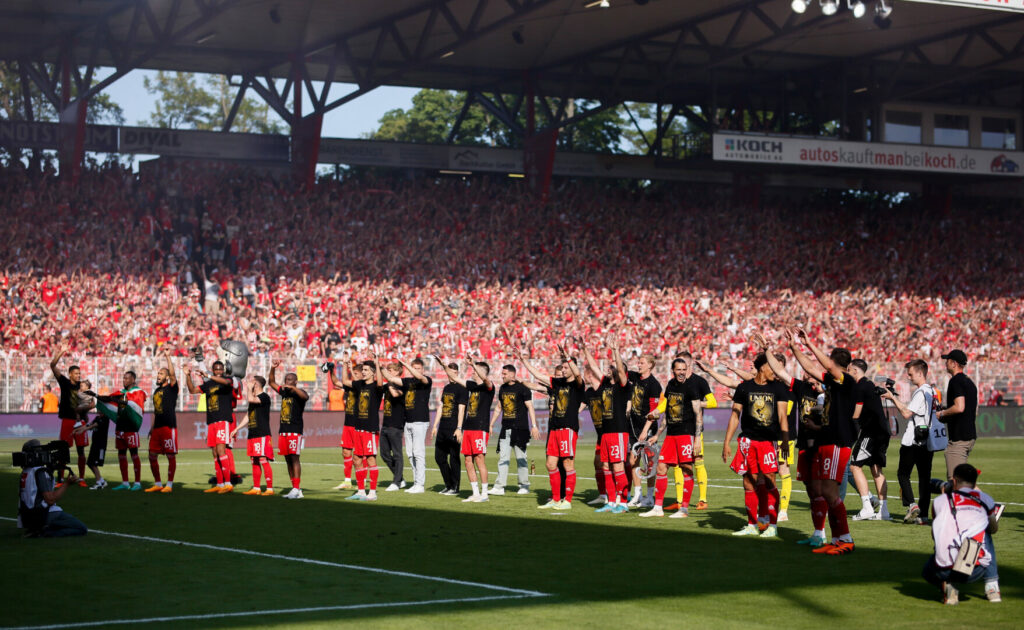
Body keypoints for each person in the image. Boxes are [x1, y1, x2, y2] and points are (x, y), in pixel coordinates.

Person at [789, 328, 857, 555]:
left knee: (830, 492)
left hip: (839, 442)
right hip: (828, 441)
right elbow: (810, 368)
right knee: (828, 493)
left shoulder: (847, 381)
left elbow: (825, 366)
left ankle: (846, 539)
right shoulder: (833, 382)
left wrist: (808, 344)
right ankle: (837, 539)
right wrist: (794, 348)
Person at [721, 352, 789, 538]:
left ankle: (772, 525)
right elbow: (735, 416)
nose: (775, 372)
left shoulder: (779, 389)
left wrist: (784, 440)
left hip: (768, 442)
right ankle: (752, 524)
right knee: (748, 482)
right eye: (772, 368)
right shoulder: (745, 388)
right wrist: (727, 442)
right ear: (762, 368)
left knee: (769, 481)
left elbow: (783, 416)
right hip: (748, 441)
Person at [921, 464, 1001, 605]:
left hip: (943, 570)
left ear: (954, 481)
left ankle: (949, 587)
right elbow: (993, 529)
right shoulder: (985, 499)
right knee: (985, 532)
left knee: (928, 569)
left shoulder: (940, 501)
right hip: (974, 569)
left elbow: (936, 534)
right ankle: (992, 587)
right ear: (975, 482)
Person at [518, 345, 584, 510]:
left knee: (568, 464)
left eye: (567, 367)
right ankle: (555, 499)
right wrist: (523, 360)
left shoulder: (578, 385)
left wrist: (568, 357)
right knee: (550, 464)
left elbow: (577, 374)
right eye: (563, 367)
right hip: (554, 429)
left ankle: (567, 501)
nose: (564, 369)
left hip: (568, 428)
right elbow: (538, 375)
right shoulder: (557, 383)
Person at [638, 358, 703, 518]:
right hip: (671, 435)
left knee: (687, 470)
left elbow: (698, 414)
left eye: (684, 369)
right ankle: (658, 508)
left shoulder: (691, 387)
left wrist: (697, 438)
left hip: (686, 434)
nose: (681, 372)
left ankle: (684, 510)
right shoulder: (670, 386)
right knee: (661, 467)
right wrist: (658, 434)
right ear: (673, 370)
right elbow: (668, 412)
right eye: (678, 369)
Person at [883, 359, 937, 525]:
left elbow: (906, 413)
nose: (909, 376)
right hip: (927, 439)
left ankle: (912, 505)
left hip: (913, 440)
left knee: (903, 473)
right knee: (924, 478)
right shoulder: (932, 391)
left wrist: (892, 397)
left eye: (911, 373)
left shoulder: (921, 392)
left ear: (921, 373)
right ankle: (924, 515)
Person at [582, 338, 632, 514]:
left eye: (613, 368)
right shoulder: (604, 384)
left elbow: (619, 369)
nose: (610, 370)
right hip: (606, 433)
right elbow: (594, 367)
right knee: (607, 467)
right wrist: (585, 349)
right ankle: (611, 502)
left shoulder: (624, 386)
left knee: (618, 466)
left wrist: (616, 351)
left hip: (618, 431)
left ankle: (623, 502)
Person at [438, 354, 493, 503]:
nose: (473, 372)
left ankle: (484, 493)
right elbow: (455, 378)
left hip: (480, 429)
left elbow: (486, 379)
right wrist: (444, 366)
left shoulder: (489, 387)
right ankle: (475, 493)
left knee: (479, 459)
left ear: (482, 371)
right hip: (468, 429)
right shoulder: (472, 386)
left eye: (475, 371)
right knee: (468, 460)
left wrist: (473, 364)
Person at [673, 353, 717, 512]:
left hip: (694, 430)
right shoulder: (675, 382)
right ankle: (679, 501)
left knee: (697, 461)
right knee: (678, 464)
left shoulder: (699, 382)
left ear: (689, 364)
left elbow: (713, 402)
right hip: (677, 430)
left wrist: (697, 404)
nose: (680, 369)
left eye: (682, 364)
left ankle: (703, 499)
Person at [848, 359, 891, 521]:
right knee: (876, 468)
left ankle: (867, 507)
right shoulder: (870, 385)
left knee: (855, 466)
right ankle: (883, 511)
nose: (848, 372)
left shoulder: (860, 386)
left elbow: (856, 414)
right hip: (881, 431)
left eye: (849, 370)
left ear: (855, 371)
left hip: (871, 432)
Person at [17, 440, 87, 538]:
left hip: (27, 516)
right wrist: (67, 483)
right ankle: (43, 532)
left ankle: (36, 529)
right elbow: (50, 499)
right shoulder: (40, 471)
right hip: (42, 515)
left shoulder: (26, 471)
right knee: (81, 528)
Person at [186, 360, 236, 493]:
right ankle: (219, 484)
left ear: (223, 370)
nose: (219, 371)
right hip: (211, 421)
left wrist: (207, 375)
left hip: (222, 420)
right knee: (214, 453)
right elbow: (192, 390)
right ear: (213, 370)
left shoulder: (228, 380)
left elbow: (226, 383)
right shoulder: (208, 385)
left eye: (220, 369)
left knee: (221, 451)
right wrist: (187, 375)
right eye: (216, 369)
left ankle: (228, 483)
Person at [488, 364, 538, 495]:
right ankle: (499, 487)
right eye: (502, 373)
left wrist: (534, 425)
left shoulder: (523, 388)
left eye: (504, 374)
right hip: (506, 429)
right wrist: (491, 424)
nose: (502, 376)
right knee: (503, 458)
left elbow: (530, 407)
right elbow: (499, 407)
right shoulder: (503, 388)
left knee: (521, 458)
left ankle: (524, 485)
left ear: (512, 374)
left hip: (520, 429)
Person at [97, 371, 147, 492]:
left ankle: (137, 482)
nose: (124, 380)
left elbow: (135, 404)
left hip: (131, 427)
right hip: (120, 426)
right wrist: (96, 396)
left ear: (133, 380)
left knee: (134, 454)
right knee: (121, 454)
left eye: (127, 378)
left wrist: (119, 400)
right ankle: (125, 483)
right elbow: (109, 398)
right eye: (123, 378)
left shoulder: (138, 392)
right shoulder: (121, 392)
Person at [269, 359, 309, 499]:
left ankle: (297, 488)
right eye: (286, 379)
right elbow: (271, 383)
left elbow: (305, 396)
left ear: (295, 381)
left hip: (294, 430)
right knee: (287, 459)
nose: (287, 381)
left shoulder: (299, 393)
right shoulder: (284, 392)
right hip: (283, 430)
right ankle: (295, 489)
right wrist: (273, 368)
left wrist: (294, 388)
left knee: (294, 458)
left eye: (290, 380)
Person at [626, 355, 662, 508]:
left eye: (642, 363)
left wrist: (646, 430)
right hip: (633, 427)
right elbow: (621, 372)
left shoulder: (654, 385)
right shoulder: (634, 377)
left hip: (647, 428)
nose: (638, 365)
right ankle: (638, 494)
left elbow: (654, 411)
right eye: (638, 362)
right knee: (633, 460)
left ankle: (650, 496)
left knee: (649, 463)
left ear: (650, 366)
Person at [936, 350, 978, 480]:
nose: (945, 363)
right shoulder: (969, 382)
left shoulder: (955, 381)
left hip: (959, 438)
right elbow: (973, 410)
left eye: (947, 360)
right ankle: (985, 501)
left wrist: (942, 413)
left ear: (954, 363)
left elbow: (960, 407)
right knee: (963, 480)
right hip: (969, 435)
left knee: (955, 481)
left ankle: (986, 501)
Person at [50, 343, 87, 484]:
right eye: (76, 373)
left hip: (81, 422)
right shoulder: (64, 382)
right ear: (70, 374)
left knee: (81, 451)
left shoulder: (83, 386)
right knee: (63, 450)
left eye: (79, 373)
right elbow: (52, 365)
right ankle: (60, 478)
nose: (78, 376)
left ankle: (82, 478)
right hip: (67, 420)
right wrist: (61, 352)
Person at [347, 358, 384, 501]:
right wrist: (345, 365)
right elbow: (344, 381)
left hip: (370, 429)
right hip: (358, 428)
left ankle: (373, 493)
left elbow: (380, 383)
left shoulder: (376, 387)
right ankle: (361, 491)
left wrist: (378, 364)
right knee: (356, 458)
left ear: (373, 373)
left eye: (366, 370)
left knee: (370, 459)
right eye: (362, 370)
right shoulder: (360, 386)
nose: (363, 372)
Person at [231, 375, 274, 495]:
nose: (248, 384)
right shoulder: (254, 397)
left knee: (263, 460)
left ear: (256, 384)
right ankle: (256, 488)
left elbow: (250, 399)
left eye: (251, 382)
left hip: (262, 433)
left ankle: (270, 489)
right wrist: (237, 428)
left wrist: (249, 389)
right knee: (254, 460)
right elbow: (248, 416)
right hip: (252, 433)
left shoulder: (264, 397)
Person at [396, 358, 432, 494]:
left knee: (418, 453)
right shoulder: (407, 382)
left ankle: (420, 484)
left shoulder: (426, 381)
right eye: (414, 368)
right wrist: (379, 367)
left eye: (418, 368)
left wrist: (406, 365)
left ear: (422, 370)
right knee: (410, 454)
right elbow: (393, 380)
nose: (416, 370)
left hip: (420, 421)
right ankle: (416, 482)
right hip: (408, 421)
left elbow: (419, 377)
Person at [431, 363, 466, 495]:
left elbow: (462, 410)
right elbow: (441, 407)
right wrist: (435, 425)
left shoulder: (462, 388)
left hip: (453, 427)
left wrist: (459, 428)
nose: (450, 374)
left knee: (454, 458)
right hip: (443, 428)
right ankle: (449, 484)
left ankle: (455, 487)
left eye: (452, 372)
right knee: (439, 457)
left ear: (457, 373)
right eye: (448, 372)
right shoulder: (446, 388)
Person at [146, 350, 179, 493]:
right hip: (157, 428)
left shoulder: (172, 388)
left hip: (168, 426)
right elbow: (156, 410)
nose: (158, 376)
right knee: (152, 455)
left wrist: (167, 357)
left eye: (161, 374)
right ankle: (158, 483)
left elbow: (173, 374)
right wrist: (152, 427)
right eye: (158, 374)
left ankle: (169, 485)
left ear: (166, 377)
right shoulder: (156, 391)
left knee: (170, 455)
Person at [327, 361, 358, 490]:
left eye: (356, 374)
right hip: (348, 424)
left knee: (359, 456)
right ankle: (347, 481)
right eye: (353, 373)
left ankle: (362, 482)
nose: (353, 376)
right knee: (346, 452)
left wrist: (349, 368)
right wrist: (331, 371)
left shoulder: (366, 387)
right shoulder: (349, 388)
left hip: (359, 425)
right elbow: (336, 382)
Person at [379, 362, 407, 491]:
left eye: (390, 370)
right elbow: (379, 385)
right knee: (384, 454)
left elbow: (395, 394)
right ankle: (400, 479)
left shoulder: (403, 385)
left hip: (396, 424)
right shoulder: (386, 386)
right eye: (387, 370)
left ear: (397, 372)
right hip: (385, 424)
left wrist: (389, 381)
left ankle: (396, 482)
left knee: (397, 454)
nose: (388, 372)